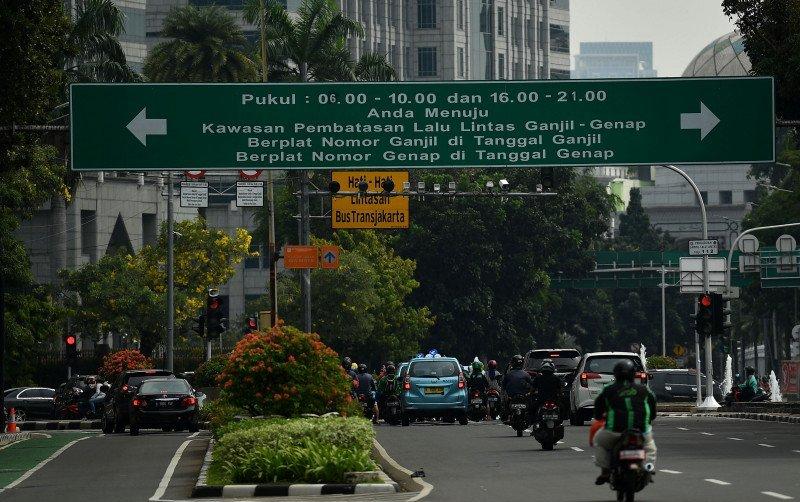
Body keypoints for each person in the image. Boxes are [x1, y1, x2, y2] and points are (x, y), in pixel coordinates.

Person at [593, 360, 657, 486]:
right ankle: (649, 468)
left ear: (616, 375)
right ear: (633, 374)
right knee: (650, 448)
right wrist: (650, 420)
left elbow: (598, 408)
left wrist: (600, 416)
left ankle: (605, 471)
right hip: (641, 431)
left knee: (599, 441)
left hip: (614, 431)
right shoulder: (644, 390)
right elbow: (653, 408)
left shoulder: (608, 390)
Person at [502, 355, 533, 419]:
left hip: (514, 397)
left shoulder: (508, 374)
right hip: (520, 397)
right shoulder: (526, 374)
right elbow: (532, 385)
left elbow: (503, 387)